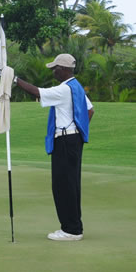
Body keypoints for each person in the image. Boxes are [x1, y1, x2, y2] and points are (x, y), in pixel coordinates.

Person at [14, 53, 94, 241]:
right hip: (72, 140)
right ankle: (74, 226)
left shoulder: (65, 89)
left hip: (65, 141)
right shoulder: (76, 87)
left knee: (63, 185)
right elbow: (90, 110)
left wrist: (15, 80)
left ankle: (71, 230)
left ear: (65, 69)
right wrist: (78, 129)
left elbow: (37, 92)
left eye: (55, 68)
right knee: (70, 184)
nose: (53, 71)